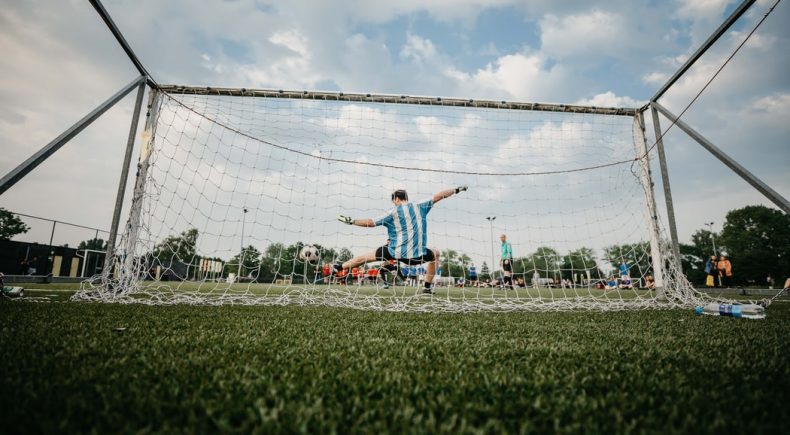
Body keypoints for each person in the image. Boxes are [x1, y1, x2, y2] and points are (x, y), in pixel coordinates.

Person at [335, 186, 467, 294]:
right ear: (406, 198)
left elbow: (370, 223)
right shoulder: (420, 205)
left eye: (393, 201)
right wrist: (456, 190)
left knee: (364, 258)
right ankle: (427, 287)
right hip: (417, 256)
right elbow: (440, 195)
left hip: (394, 252)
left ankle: (339, 267)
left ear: (396, 199)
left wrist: (352, 221)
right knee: (436, 253)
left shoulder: (391, 212)